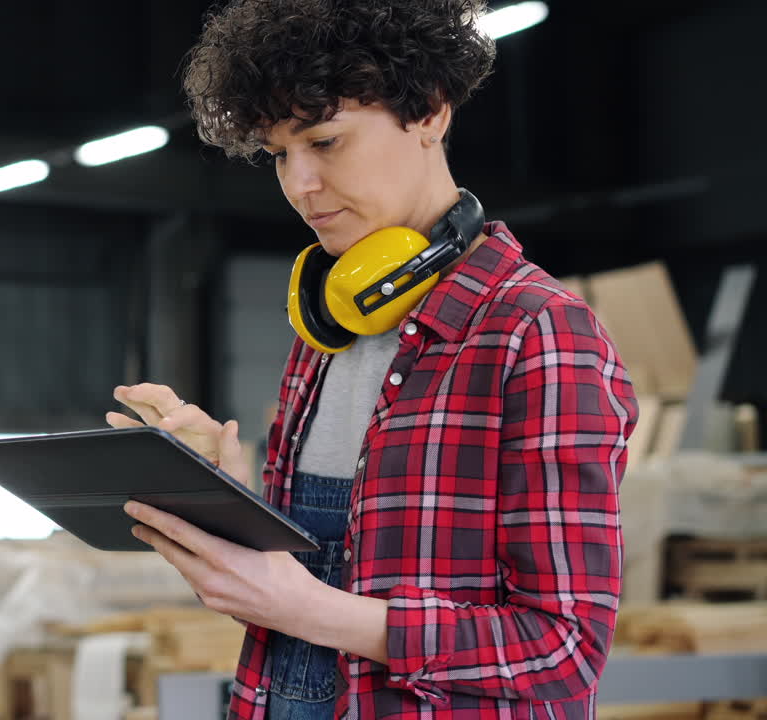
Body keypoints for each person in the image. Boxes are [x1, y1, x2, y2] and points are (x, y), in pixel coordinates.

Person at [105, 1, 639, 718]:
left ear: (430, 114)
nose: (300, 185)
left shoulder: (537, 333)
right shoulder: (329, 331)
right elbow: (311, 589)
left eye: (325, 142)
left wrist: (314, 611)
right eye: (280, 155)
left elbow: (563, 652)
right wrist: (227, 498)